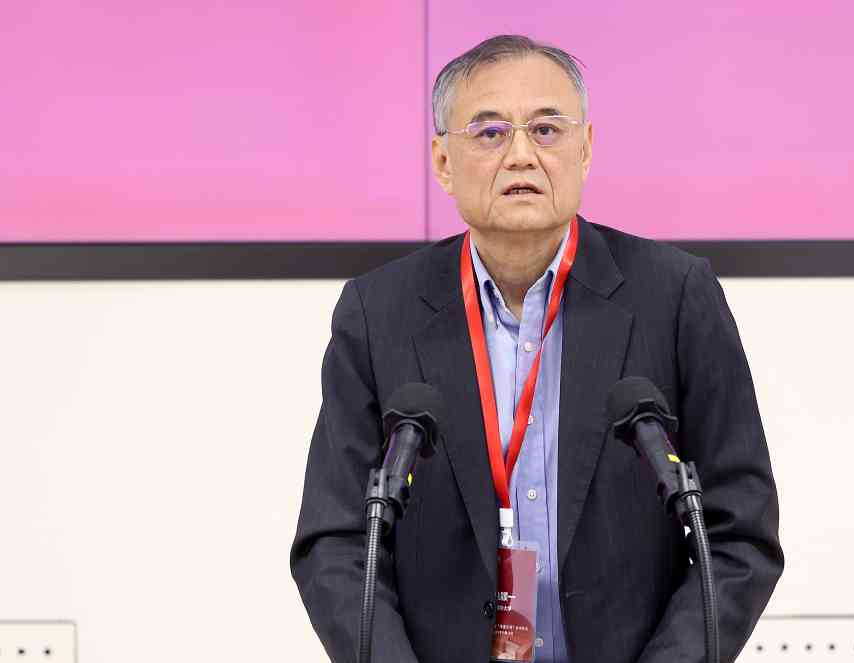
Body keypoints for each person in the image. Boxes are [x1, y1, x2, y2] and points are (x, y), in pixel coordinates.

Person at [290, 34, 783, 663]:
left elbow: (740, 531)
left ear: (586, 148)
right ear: (443, 161)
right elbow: (335, 541)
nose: (521, 155)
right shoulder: (377, 314)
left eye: (546, 130)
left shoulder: (676, 297)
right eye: (490, 133)